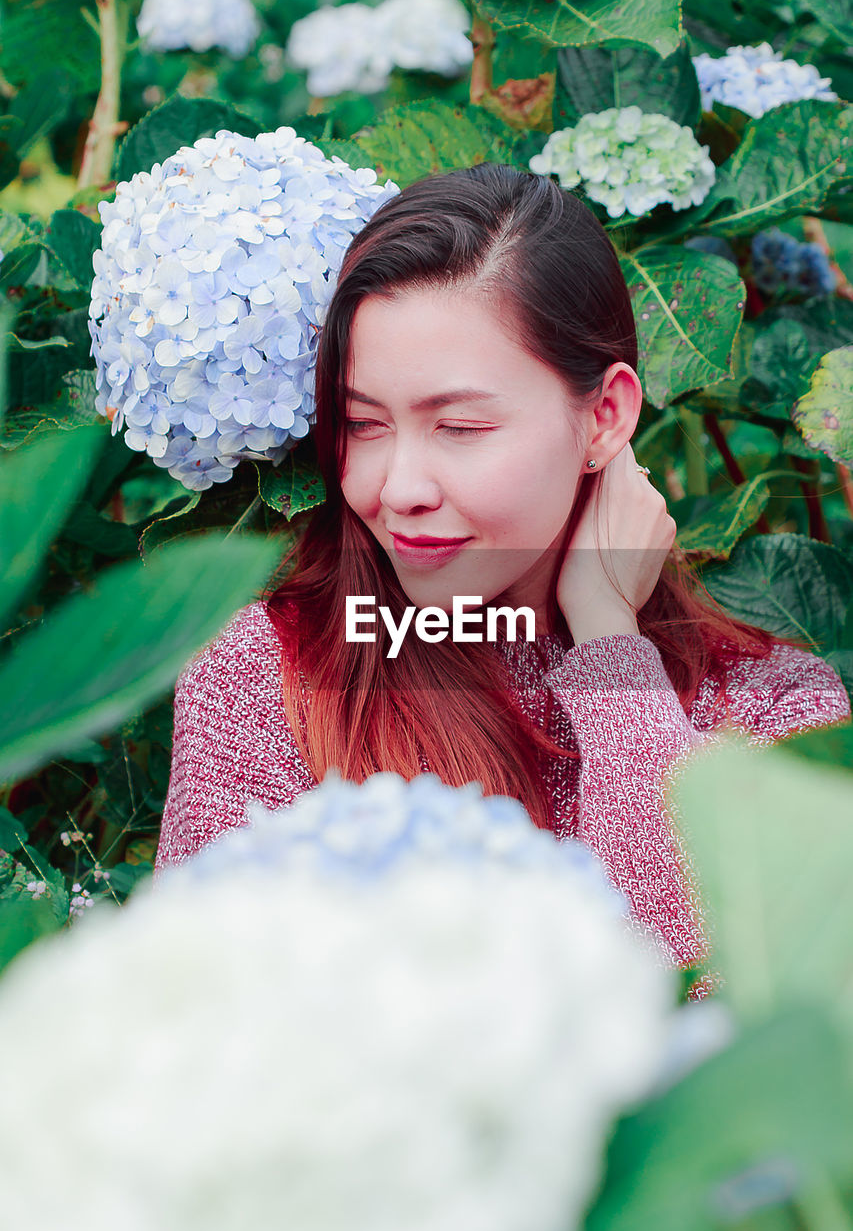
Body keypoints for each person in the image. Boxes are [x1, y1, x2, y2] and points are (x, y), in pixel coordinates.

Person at [154, 163, 850, 998]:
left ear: (604, 416)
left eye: (460, 426)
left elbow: (717, 1023)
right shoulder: (267, 679)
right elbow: (195, 1032)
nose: (397, 486)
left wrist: (608, 647)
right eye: (363, 424)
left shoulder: (776, 710)